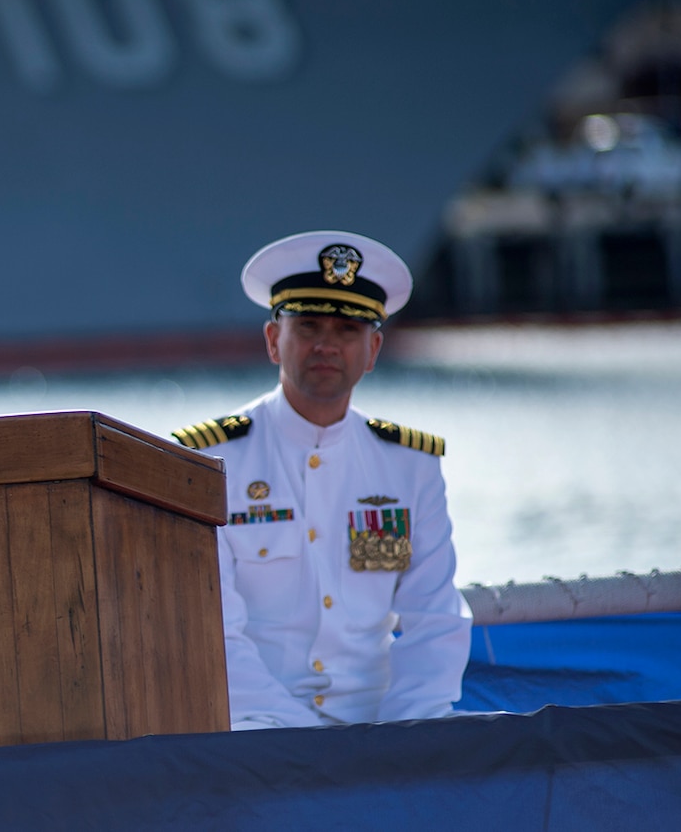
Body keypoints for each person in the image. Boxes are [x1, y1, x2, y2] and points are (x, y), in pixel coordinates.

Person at [171, 231, 471, 730]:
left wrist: (411, 736)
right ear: (274, 341)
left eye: (348, 330)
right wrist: (304, 743)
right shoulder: (209, 460)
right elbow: (212, 632)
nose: (327, 345)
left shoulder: (410, 465)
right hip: (255, 728)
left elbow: (434, 617)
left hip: (380, 728)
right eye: (308, 326)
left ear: (373, 349)